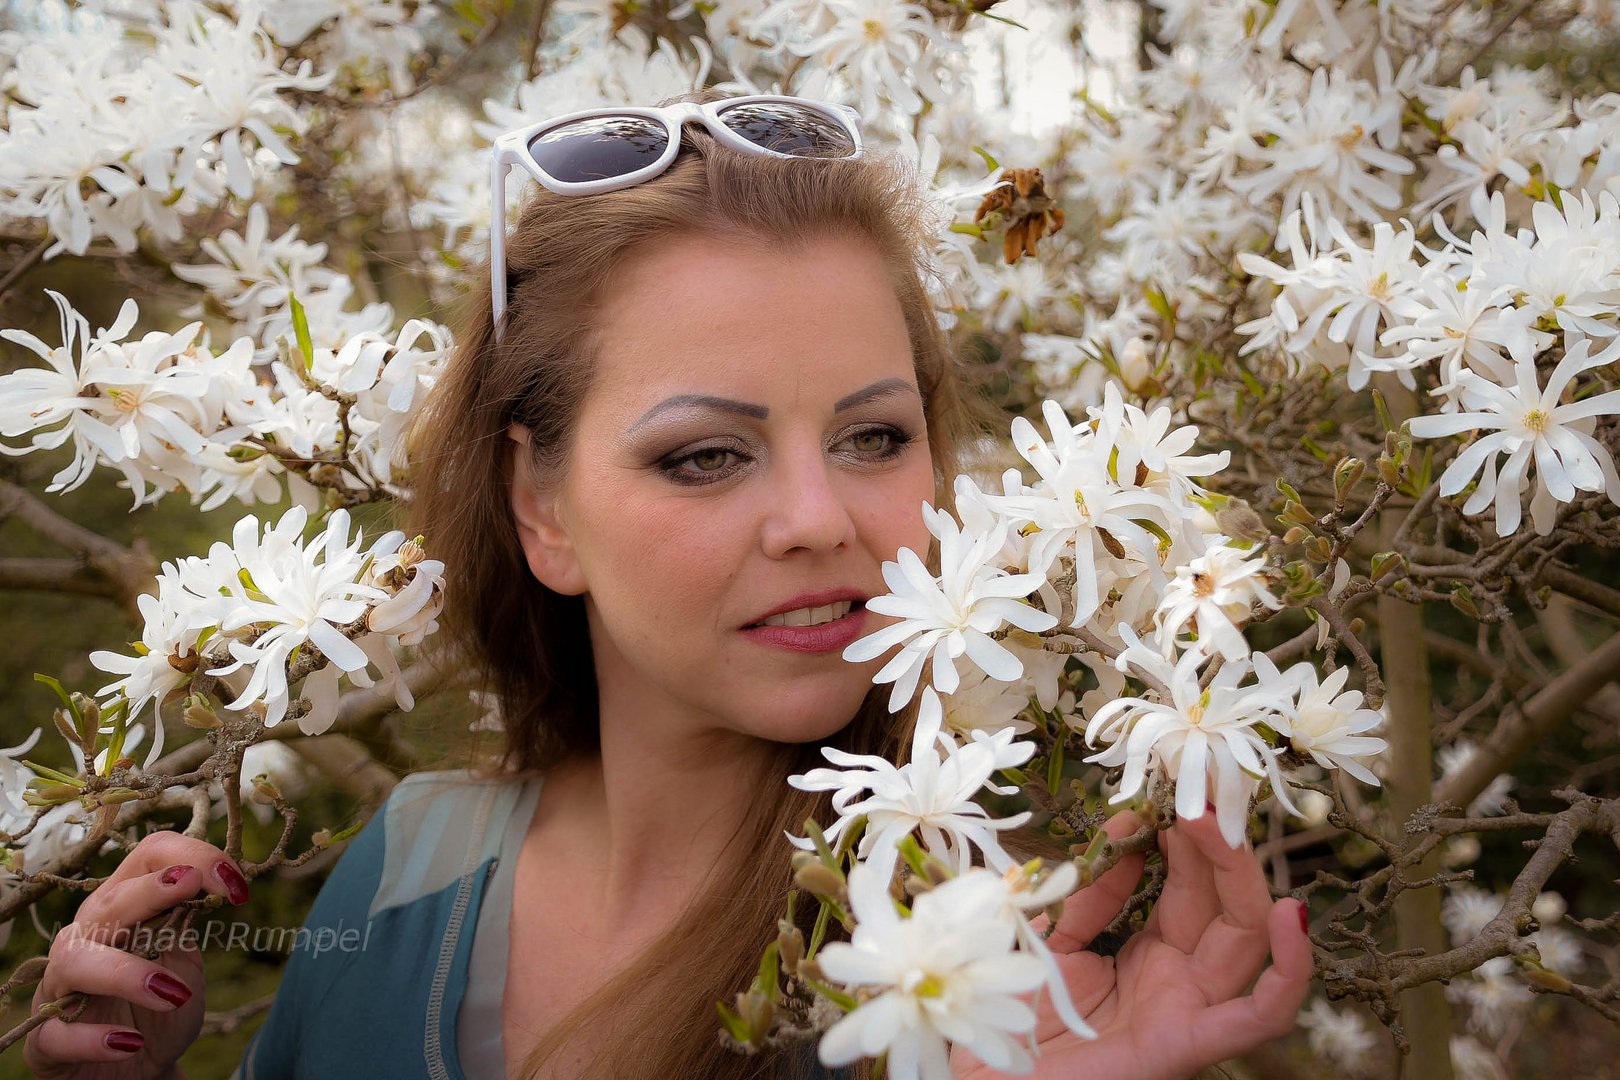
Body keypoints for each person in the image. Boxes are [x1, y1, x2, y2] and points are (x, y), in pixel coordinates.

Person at [24, 89, 1312, 1080]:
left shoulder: (1004, 946)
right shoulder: (407, 859)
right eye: (706, 455)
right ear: (543, 507)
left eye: (874, 438)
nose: (821, 521)